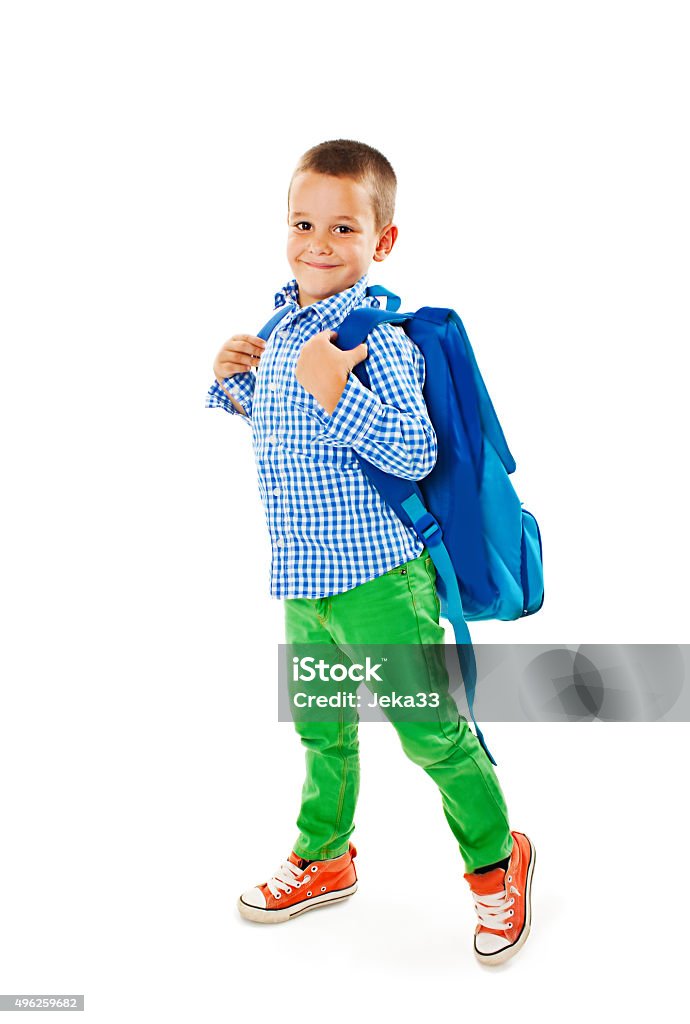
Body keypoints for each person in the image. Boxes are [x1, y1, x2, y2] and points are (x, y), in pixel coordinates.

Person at [205, 139, 535, 966]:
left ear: (380, 242)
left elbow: (413, 450)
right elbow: (288, 434)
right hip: (305, 579)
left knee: (430, 733)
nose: (318, 242)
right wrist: (234, 378)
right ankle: (325, 858)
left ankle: (498, 864)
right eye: (303, 222)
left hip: (382, 582)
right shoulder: (283, 327)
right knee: (322, 729)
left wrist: (334, 385)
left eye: (342, 227)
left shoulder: (375, 338)